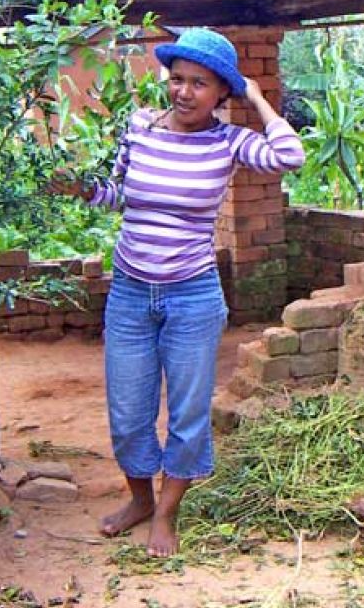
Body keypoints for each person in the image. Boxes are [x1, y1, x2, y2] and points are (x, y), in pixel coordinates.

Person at [50, 27, 305, 557]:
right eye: (178, 79)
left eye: (201, 84)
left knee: (187, 414)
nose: (184, 92)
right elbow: (117, 195)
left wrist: (256, 96)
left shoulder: (229, 142)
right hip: (129, 294)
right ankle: (139, 500)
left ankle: (167, 514)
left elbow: (289, 155)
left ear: (221, 94)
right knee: (128, 411)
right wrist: (79, 186)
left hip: (192, 295)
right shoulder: (139, 127)